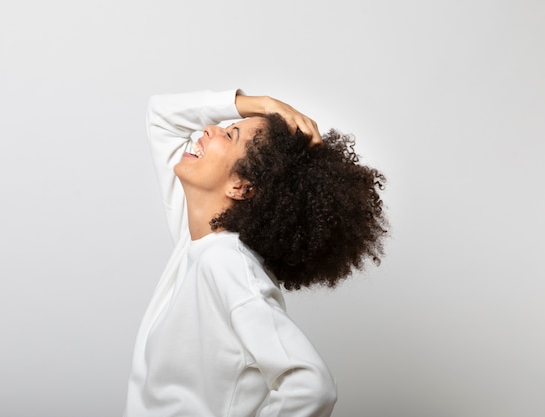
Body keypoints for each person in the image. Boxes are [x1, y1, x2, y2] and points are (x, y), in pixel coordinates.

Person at [123, 89, 388, 417]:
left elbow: (312, 386)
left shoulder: (225, 261)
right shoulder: (197, 242)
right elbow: (162, 117)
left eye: (230, 134)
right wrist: (263, 104)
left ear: (242, 186)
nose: (209, 129)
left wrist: (261, 109)